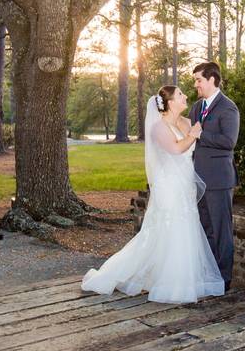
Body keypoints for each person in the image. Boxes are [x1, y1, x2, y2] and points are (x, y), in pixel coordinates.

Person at [81, 85, 225, 304]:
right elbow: (177, 149)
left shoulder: (186, 122)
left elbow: (196, 143)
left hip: (186, 184)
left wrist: (196, 132)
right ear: (169, 102)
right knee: (170, 228)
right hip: (168, 185)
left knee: (186, 227)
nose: (185, 96)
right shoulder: (158, 127)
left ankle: (182, 279)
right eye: (180, 94)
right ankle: (166, 284)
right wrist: (194, 135)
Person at [189, 62, 240, 291]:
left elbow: (229, 142)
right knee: (205, 229)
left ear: (212, 80)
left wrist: (202, 134)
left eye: (199, 80)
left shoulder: (228, 108)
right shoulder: (196, 108)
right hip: (199, 180)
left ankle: (224, 279)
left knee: (221, 231)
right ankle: (210, 274)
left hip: (219, 181)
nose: (196, 84)